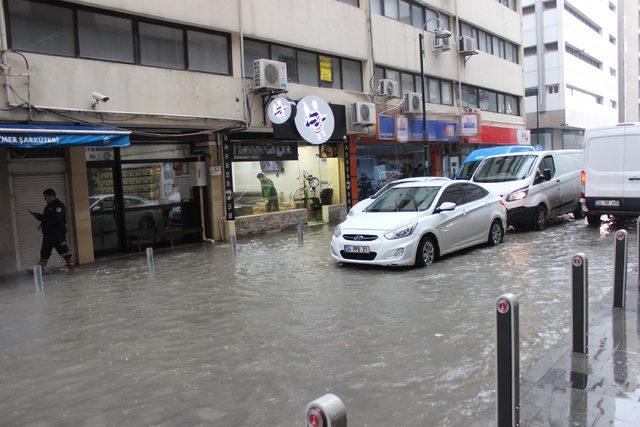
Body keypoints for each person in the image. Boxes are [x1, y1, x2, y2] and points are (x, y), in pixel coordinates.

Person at [32, 189, 74, 270]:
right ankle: (40, 269)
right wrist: (41, 222)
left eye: (46, 197)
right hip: (48, 234)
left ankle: (71, 267)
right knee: (44, 252)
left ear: (51, 196)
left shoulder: (59, 205)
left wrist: (40, 218)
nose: (44, 199)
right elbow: (46, 219)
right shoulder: (48, 206)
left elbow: (55, 219)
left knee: (64, 251)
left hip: (58, 234)